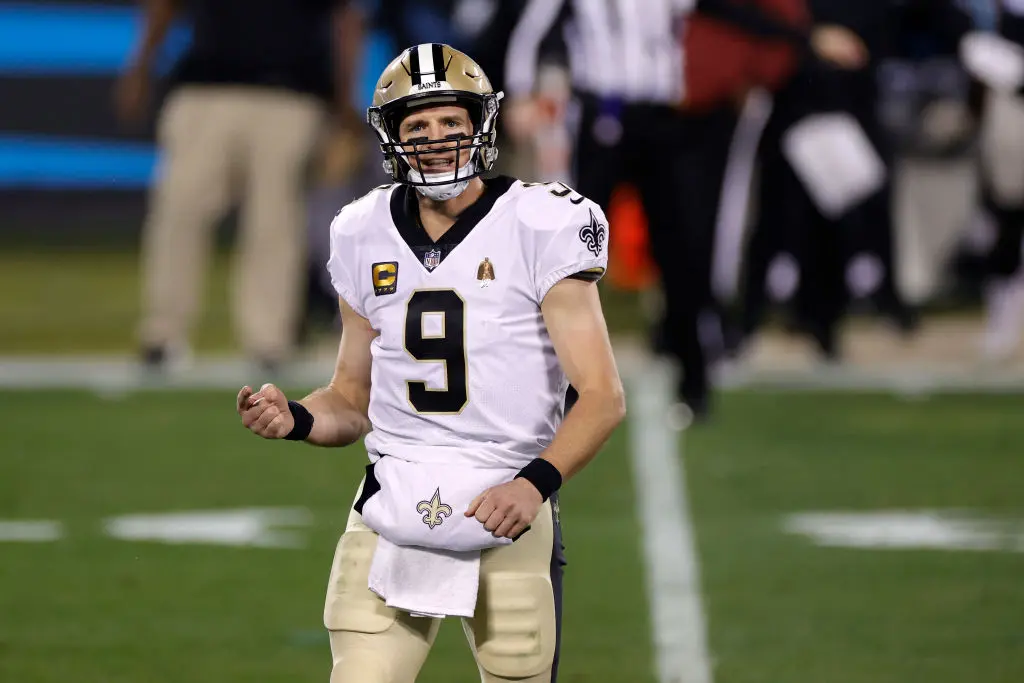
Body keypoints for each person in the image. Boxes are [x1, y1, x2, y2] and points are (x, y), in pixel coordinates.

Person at [236, 44, 626, 683]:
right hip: (391, 506)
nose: (437, 139)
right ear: (392, 139)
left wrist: (533, 485)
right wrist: (298, 418)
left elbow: (603, 395)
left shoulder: (541, 220)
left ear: (482, 124)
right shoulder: (360, 230)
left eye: (451, 121)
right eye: (417, 126)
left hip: (506, 500)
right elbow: (351, 399)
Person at [504, 0, 869, 419]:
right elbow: (531, 28)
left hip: (667, 120)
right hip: (600, 118)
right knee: (570, 258)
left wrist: (809, 38)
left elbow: (733, 13)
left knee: (683, 251)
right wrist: (519, 94)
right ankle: (550, 384)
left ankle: (693, 380)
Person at [117, 0, 365, 373]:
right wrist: (140, 65)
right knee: (180, 211)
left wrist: (344, 99)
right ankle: (162, 335)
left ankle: (268, 340)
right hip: (207, 88)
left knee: (275, 221)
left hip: (290, 92)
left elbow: (344, 17)